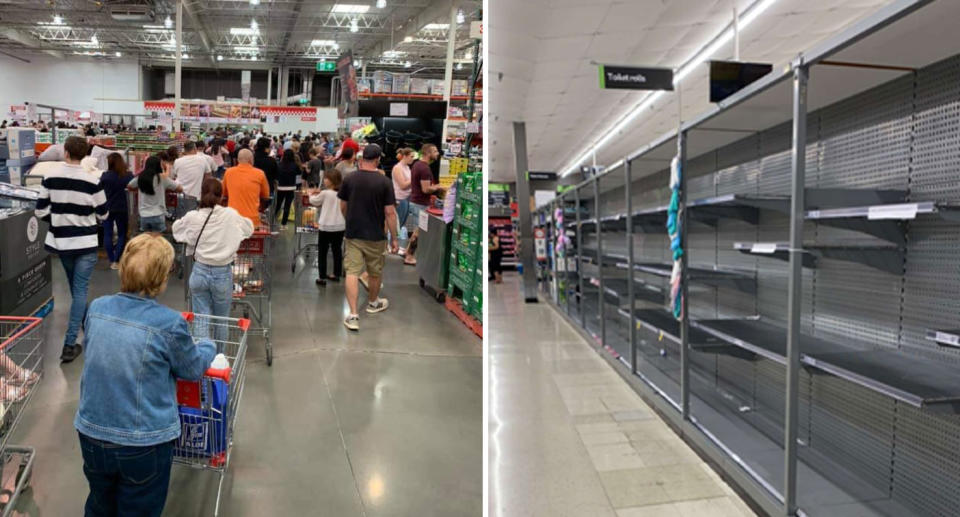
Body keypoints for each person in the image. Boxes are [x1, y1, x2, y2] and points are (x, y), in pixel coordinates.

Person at [74, 233, 216, 517]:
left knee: (99, 504)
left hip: (91, 433)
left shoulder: (97, 308)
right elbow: (191, 369)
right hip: (143, 442)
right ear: (161, 278)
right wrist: (208, 345)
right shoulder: (168, 323)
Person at [35, 136, 108, 363]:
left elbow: (39, 211)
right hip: (86, 243)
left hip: (61, 243)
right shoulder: (92, 180)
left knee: (75, 289)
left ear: (65, 152)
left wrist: (58, 219)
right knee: (80, 290)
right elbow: (103, 214)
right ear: (86, 154)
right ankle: (69, 345)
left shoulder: (50, 177)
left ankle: (85, 327)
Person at [173, 178, 254, 339]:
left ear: (201, 195)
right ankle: (219, 360)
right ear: (221, 196)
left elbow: (177, 230)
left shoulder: (192, 217)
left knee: (201, 319)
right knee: (221, 321)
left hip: (199, 271)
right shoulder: (230, 214)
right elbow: (249, 228)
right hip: (222, 273)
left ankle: (203, 359)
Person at [337, 144, 399, 331]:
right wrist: (394, 238)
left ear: (361, 158)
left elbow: (342, 205)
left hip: (354, 233)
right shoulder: (384, 182)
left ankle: (353, 315)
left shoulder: (350, 179)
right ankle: (373, 303)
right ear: (378, 159)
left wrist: (349, 220)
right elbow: (390, 213)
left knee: (352, 272)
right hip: (376, 235)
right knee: (375, 271)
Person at [404, 144, 445, 266]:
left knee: (418, 231)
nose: (438, 153)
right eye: (435, 151)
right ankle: (409, 256)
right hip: (420, 204)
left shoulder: (417, 164)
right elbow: (426, 189)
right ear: (428, 153)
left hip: (417, 202)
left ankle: (407, 253)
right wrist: (439, 187)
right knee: (418, 232)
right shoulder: (424, 169)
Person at [309, 169, 346, 286]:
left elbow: (314, 201)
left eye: (326, 178)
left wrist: (310, 193)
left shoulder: (325, 193)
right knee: (337, 250)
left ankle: (322, 277)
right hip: (340, 226)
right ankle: (336, 274)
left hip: (325, 226)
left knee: (323, 252)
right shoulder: (343, 192)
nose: (324, 180)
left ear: (331, 181)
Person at [128, 155, 182, 233]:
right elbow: (180, 189)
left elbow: (129, 186)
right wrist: (166, 189)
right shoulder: (163, 178)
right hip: (158, 214)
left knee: (146, 241)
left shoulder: (140, 178)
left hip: (143, 215)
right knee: (157, 242)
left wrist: (139, 188)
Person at [223, 148, 271, 228]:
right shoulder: (260, 174)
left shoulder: (228, 172)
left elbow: (224, 194)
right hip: (252, 221)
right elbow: (265, 197)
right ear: (251, 160)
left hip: (233, 220)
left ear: (238, 160)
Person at [99, 153, 131, 270]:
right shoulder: (127, 175)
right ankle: (117, 259)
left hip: (107, 207)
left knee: (108, 233)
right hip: (122, 208)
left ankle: (111, 259)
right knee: (122, 234)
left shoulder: (105, 176)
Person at [171, 140, 214, 208]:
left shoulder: (177, 161)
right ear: (195, 149)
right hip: (196, 196)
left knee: (181, 217)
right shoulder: (202, 160)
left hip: (180, 196)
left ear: (184, 150)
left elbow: (172, 177)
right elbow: (208, 177)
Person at [392, 147, 415, 234]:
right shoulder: (397, 168)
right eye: (411, 157)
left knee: (401, 224)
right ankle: (392, 243)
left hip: (407, 198)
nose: (412, 159)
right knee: (398, 224)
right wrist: (414, 177)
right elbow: (402, 185)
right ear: (405, 156)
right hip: (399, 199)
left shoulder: (407, 168)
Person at [276, 149, 299, 226]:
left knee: (278, 204)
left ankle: (273, 219)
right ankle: (283, 224)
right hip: (291, 187)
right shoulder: (294, 165)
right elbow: (299, 172)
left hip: (281, 187)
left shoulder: (279, 164)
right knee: (287, 206)